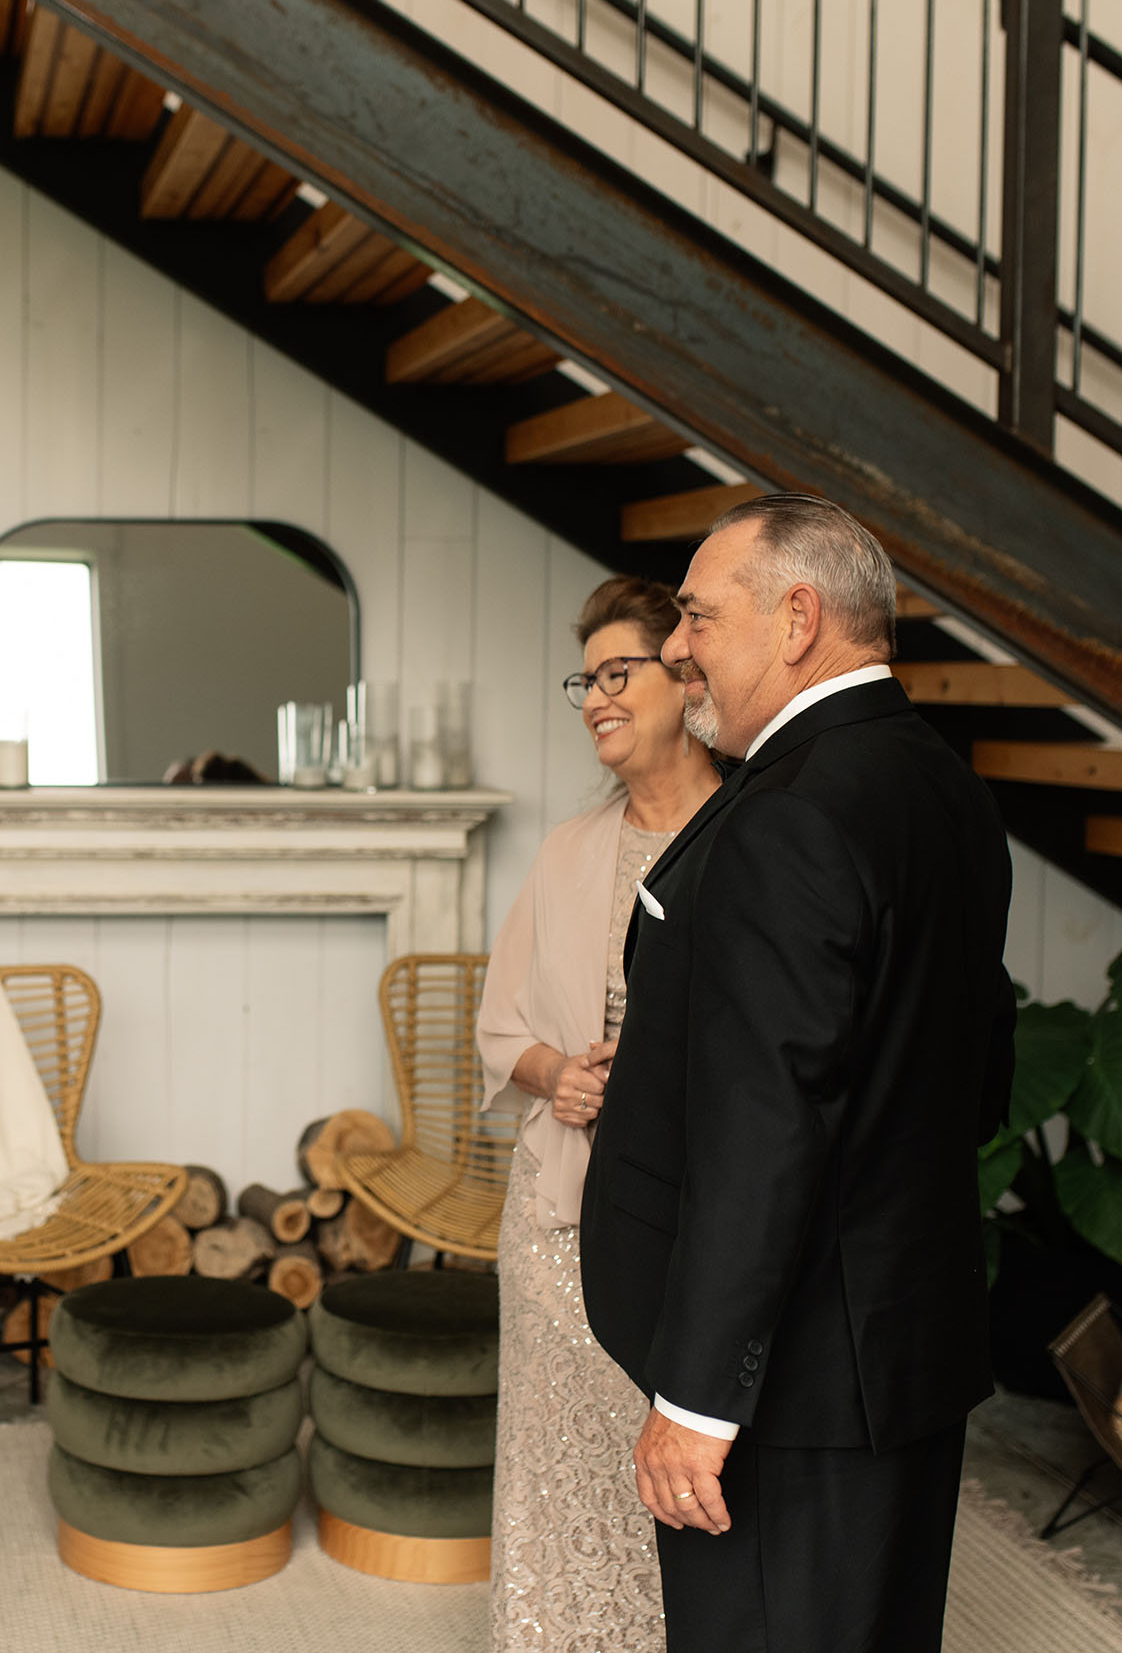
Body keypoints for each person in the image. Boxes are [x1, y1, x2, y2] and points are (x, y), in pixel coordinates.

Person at [579, 493, 1016, 1652]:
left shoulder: (790, 811)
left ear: (797, 618)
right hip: (901, 1345)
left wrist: (697, 1399)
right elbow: (974, 1067)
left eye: (697, 616)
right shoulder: (942, 786)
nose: (676, 648)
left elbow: (765, 1129)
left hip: (791, 1379)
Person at [478, 575, 720, 1650]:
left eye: (618, 673)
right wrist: (553, 1076)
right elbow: (498, 1028)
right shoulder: (568, 849)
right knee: (556, 1467)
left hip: (696, 1217)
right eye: (587, 679)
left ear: (686, 675)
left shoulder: (754, 834)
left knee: (675, 1465)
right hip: (556, 1215)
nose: (594, 699)